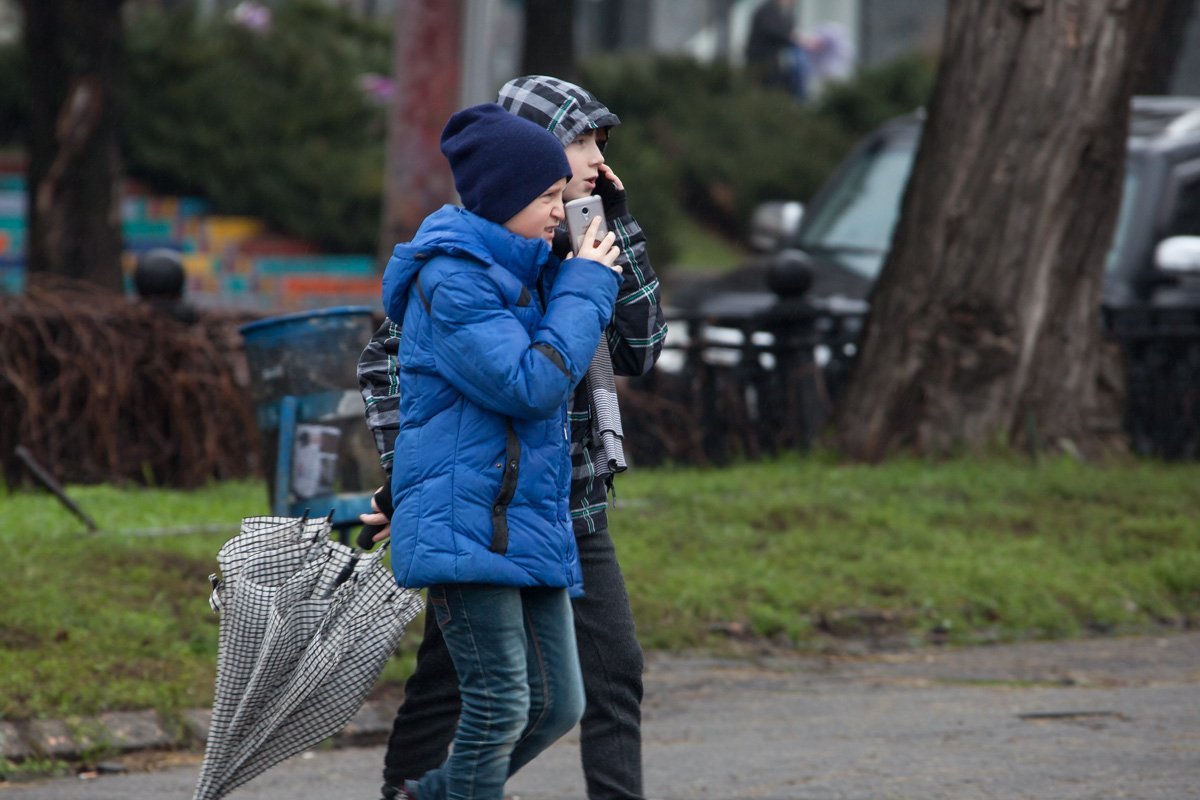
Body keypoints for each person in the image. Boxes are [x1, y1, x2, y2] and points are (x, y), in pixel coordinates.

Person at [359, 75, 666, 800]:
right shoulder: (477, 262)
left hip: (568, 495)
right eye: (579, 142)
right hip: (478, 504)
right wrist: (405, 484)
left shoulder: (573, 245)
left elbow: (641, 349)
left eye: (599, 144)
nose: (593, 161)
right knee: (458, 688)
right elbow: (399, 371)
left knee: (601, 679)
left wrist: (614, 234)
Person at [744, 0, 810, 101]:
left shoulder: (785, 12)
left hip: (777, 62)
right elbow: (773, 31)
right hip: (763, 61)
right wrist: (793, 38)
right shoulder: (767, 10)